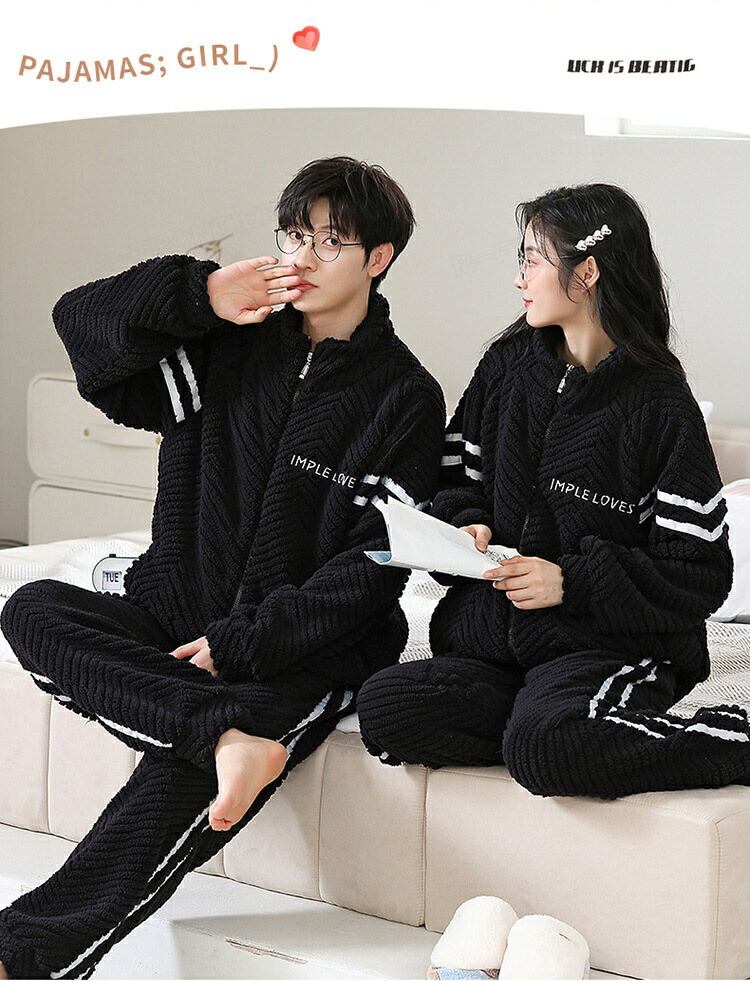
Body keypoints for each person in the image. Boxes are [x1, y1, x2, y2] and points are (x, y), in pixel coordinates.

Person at [0, 155, 445, 980]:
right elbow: (80, 325)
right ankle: (227, 737)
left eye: (330, 242)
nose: (302, 257)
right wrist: (200, 294)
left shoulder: (406, 397)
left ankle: (21, 956)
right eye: (293, 235)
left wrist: (242, 643)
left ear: (378, 258)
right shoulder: (224, 346)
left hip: (299, 652)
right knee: (31, 608)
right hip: (172, 614)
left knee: (182, 770)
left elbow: (374, 565)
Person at [356, 182, 743, 801]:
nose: (519, 278)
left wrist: (571, 582)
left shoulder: (660, 405)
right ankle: (548, 726)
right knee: (388, 707)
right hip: (496, 642)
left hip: (605, 645)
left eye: (533, 260)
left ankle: (727, 740)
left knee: (549, 749)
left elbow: (698, 574)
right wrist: (467, 523)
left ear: (586, 272)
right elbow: (454, 480)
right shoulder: (506, 368)